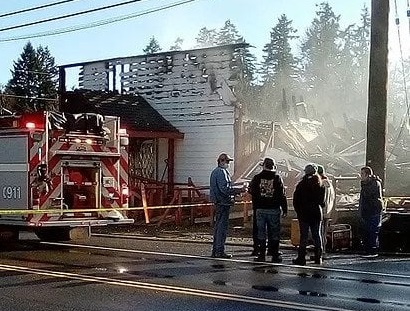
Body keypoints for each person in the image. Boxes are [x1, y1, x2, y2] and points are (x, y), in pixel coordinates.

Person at [248, 157, 288, 263]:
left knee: (261, 232)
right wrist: (285, 209)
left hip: (260, 209)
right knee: (274, 232)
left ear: (264, 165)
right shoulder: (277, 178)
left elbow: (251, 190)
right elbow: (281, 194)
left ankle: (261, 255)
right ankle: (275, 254)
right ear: (273, 166)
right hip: (273, 209)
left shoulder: (257, 177)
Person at [209, 153, 243, 258]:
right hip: (223, 202)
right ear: (221, 161)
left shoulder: (215, 172)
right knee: (221, 228)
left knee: (218, 227)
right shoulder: (221, 172)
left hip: (218, 202)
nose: (228, 164)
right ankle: (219, 250)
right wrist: (238, 190)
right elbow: (224, 189)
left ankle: (216, 250)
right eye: (227, 161)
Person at [292, 164, 325, 265]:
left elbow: (295, 200)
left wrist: (298, 211)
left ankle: (301, 258)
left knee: (304, 236)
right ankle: (318, 257)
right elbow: (322, 202)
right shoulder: (320, 184)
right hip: (316, 212)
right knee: (317, 235)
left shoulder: (301, 185)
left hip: (304, 213)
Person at [358, 166, 383, 258]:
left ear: (367, 175)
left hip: (373, 209)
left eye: (362, 174)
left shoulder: (374, 183)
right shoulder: (369, 183)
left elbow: (368, 195)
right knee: (367, 231)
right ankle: (368, 249)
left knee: (372, 231)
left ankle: (372, 250)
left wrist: (363, 185)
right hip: (368, 210)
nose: (361, 176)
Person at [317, 165, 335, 254]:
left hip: (320, 211)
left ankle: (320, 251)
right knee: (323, 232)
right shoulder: (330, 184)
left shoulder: (321, 183)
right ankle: (323, 250)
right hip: (328, 211)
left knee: (319, 233)